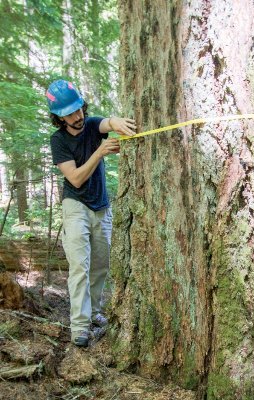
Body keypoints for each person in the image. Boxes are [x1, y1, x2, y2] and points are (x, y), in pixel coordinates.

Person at [47, 79, 135, 347]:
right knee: (80, 267)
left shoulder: (91, 123)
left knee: (100, 265)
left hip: (101, 206)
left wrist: (117, 122)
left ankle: (95, 312)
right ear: (59, 118)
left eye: (79, 109)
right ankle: (80, 326)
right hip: (75, 206)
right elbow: (74, 178)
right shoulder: (59, 140)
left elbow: (107, 123)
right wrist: (99, 152)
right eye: (70, 114)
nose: (78, 116)